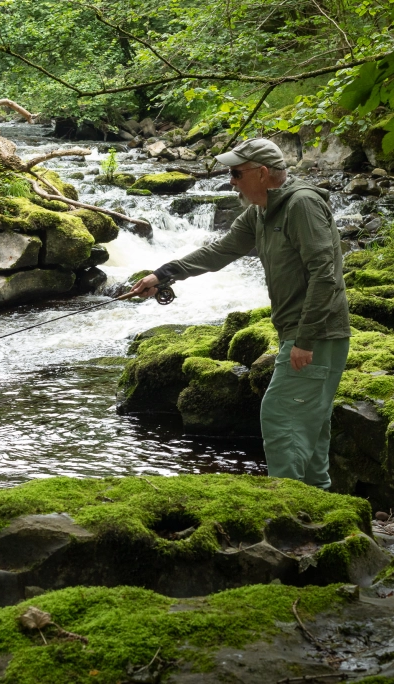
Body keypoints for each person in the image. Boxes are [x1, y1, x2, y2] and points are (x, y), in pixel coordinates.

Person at [128, 138, 350, 489]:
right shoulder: (260, 211)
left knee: (280, 416)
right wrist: (164, 274)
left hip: (316, 333)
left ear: (263, 173)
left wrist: (305, 340)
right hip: (300, 332)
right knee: (308, 424)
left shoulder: (301, 206)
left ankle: (289, 507)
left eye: (236, 173)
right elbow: (220, 251)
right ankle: (320, 510)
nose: (230, 181)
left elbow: (326, 276)